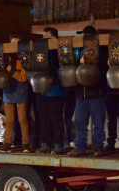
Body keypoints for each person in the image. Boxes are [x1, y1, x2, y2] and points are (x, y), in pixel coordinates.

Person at [69, 26, 107, 157]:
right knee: (80, 122)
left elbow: (104, 68)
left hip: (97, 93)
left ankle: (98, 147)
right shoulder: (77, 51)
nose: (83, 38)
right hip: (81, 94)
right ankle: (80, 146)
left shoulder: (102, 51)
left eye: (85, 35)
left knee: (98, 123)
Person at [0, 36, 33, 153]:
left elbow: (24, 76)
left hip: (20, 89)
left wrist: (12, 71)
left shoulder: (24, 58)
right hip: (8, 90)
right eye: (12, 44)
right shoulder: (7, 58)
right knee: (9, 120)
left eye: (16, 44)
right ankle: (7, 142)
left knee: (22, 118)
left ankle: (26, 144)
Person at [37, 29, 66, 155]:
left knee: (56, 119)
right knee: (44, 119)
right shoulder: (42, 52)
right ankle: (45, 143)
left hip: (56, 91)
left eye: (47, 39)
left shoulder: (59, 51)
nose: (45, 42)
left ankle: (58, 144)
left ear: (54, 38)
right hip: (42, 91)